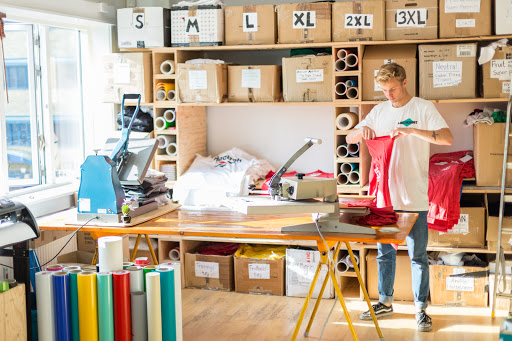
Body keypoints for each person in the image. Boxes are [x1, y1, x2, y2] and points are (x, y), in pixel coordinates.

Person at [346, 63, 453, 332]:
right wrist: (362, 131)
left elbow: (448, 139)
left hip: (414, 195)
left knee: (418, 255)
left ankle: (421, 310)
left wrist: (413, 130)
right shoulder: (379, 111)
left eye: (392, 88)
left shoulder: (422, 108)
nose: (389, 94)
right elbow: (349, 137)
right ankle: (384, 302)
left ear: (404, 82)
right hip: (385, 198)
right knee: (384, 254)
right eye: (383, 90)